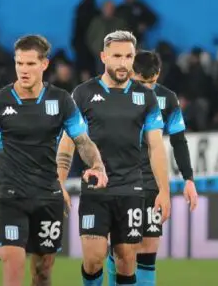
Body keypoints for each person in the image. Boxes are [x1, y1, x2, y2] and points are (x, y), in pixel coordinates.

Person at [0, 34, 108, 286]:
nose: (23, 70)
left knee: (43, 272)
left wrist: (97, 165)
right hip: (10, 197)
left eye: (30, 64)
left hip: (47, 195)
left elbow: (83, 141)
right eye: (19, 63)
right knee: (13, 264)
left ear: (44, 64)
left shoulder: (61, 101)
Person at [57, 31, 172, 286]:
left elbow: (155, 147)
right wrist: (60, 182)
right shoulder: (83, 93)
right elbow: (68, 143)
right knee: (94, 258)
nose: (123, 63)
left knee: (126, 259)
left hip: (131, 187)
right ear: (103, 57)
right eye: (117, 56)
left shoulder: (146, 96)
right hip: (96, 186)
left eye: (128, 56)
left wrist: (164, 190)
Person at [105, 49, 199, 286]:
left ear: (158, 75)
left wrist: (189, 178)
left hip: (150, 181)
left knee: (148, 249)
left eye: (151, 82)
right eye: (141, 82)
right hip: (119, 179)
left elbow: (179, 140)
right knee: (121, 250)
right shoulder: (114, 94)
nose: (147, 88)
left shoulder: (167, 98)